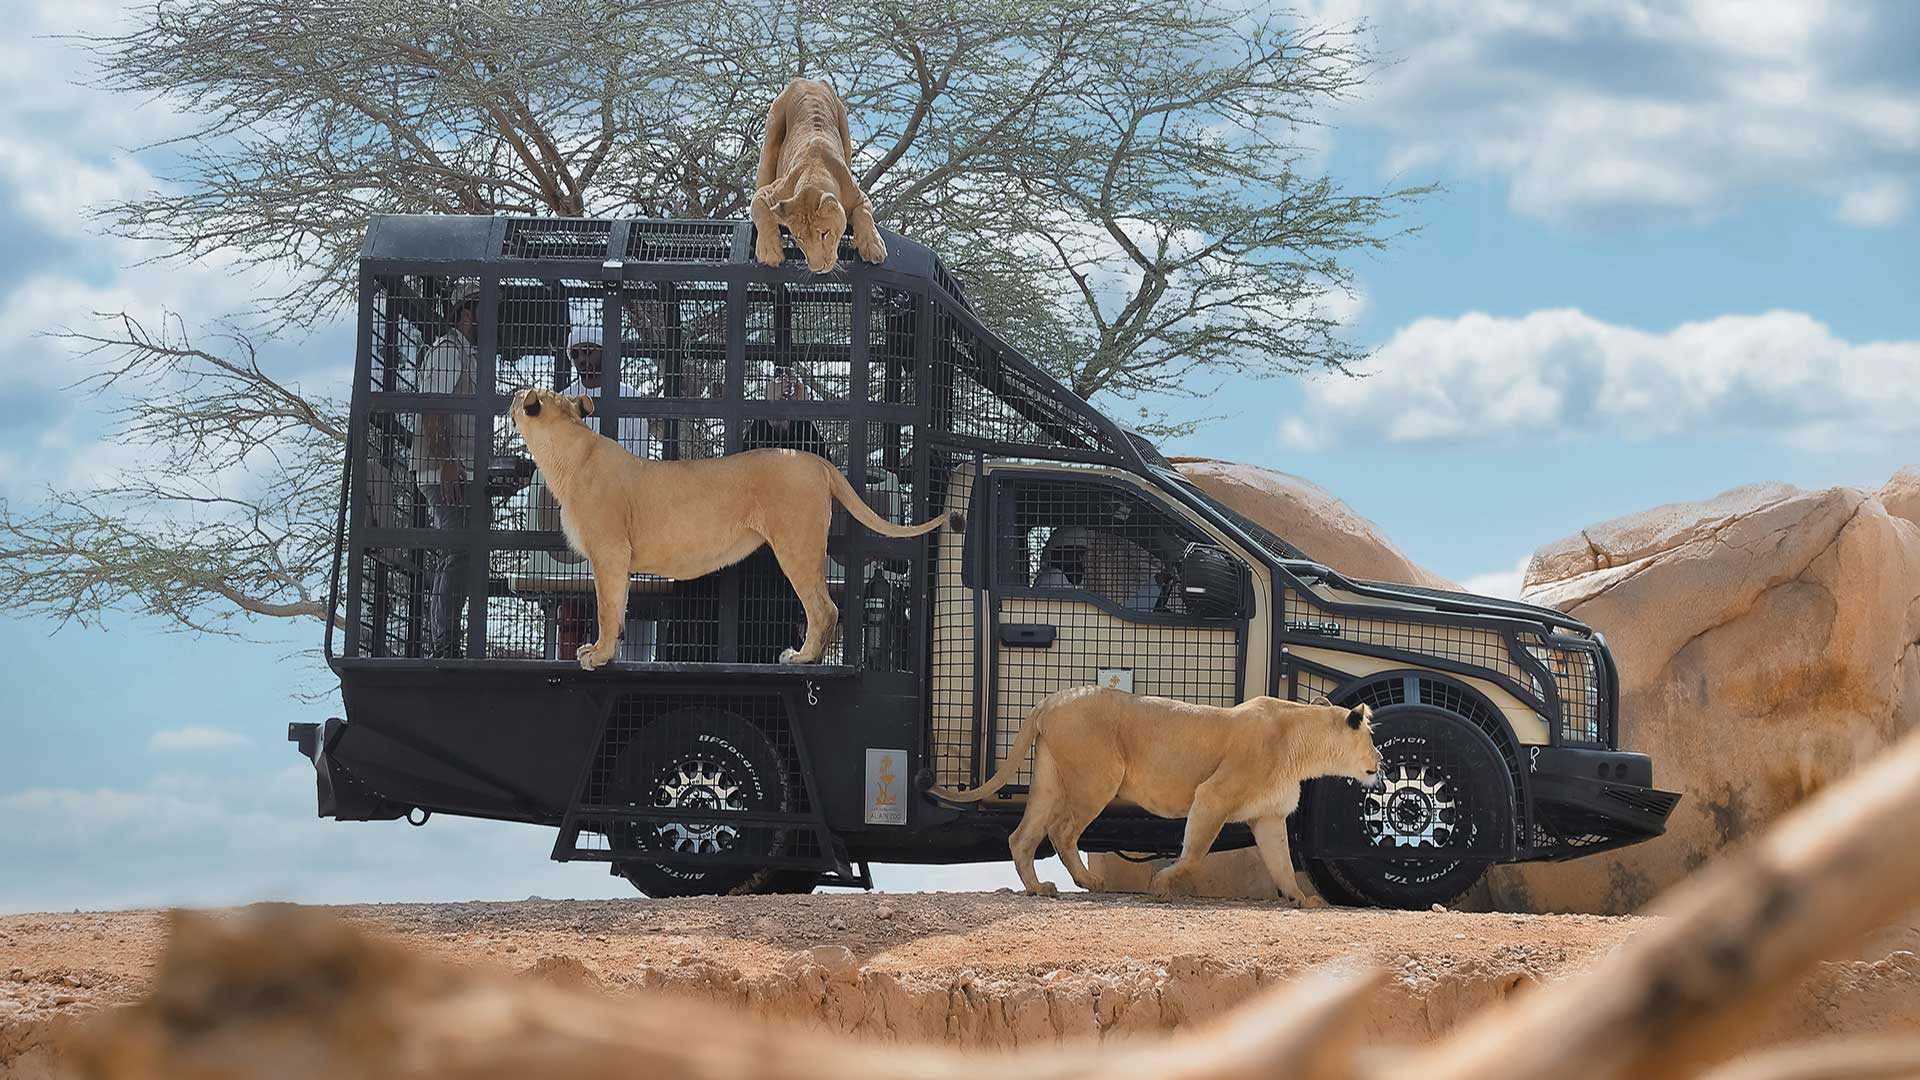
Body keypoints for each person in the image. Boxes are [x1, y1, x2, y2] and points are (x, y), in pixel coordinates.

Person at [549, 323, 657, 661]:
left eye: (589, 351)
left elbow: (637, 461)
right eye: (576, 354)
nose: (583, 360)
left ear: (606, 353)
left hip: (625, 517)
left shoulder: (631, 399)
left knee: (636, 601)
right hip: (579, 521)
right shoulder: (563, 403)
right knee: (571, 600)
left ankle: (635, 669)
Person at [739, 364, 834, 662]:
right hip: (755, 553)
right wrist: (769, 416)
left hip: (794, 550)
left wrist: (799, 415)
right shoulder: (756, 432)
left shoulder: (806, 433)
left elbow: (822, 470)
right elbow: (744, 468)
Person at [413, 281, 480, 657]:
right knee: (457, 548)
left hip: (462, 470)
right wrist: (445, 463)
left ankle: (451, 637)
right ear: (466, 312)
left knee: (468, 549)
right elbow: (432, 411)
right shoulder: (447, 352)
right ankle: (444, 644)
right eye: (481, 307)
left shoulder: (471, 355)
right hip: (441, 472)